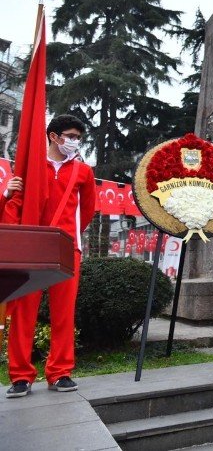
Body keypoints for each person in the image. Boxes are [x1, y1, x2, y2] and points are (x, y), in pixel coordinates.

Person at [4, 115, 96, 398]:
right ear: (53, 136)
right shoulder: (29, 168)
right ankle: (20, 376)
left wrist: (69, 238)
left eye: (79, 138)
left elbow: (88, 210)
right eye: (70, 136)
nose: (75, 142)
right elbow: (12, 211)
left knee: (63, 313)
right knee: (23, 312)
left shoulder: (83, 172)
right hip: (30, 249)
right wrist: (7, 193)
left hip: (66, 249)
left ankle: (60, 372)